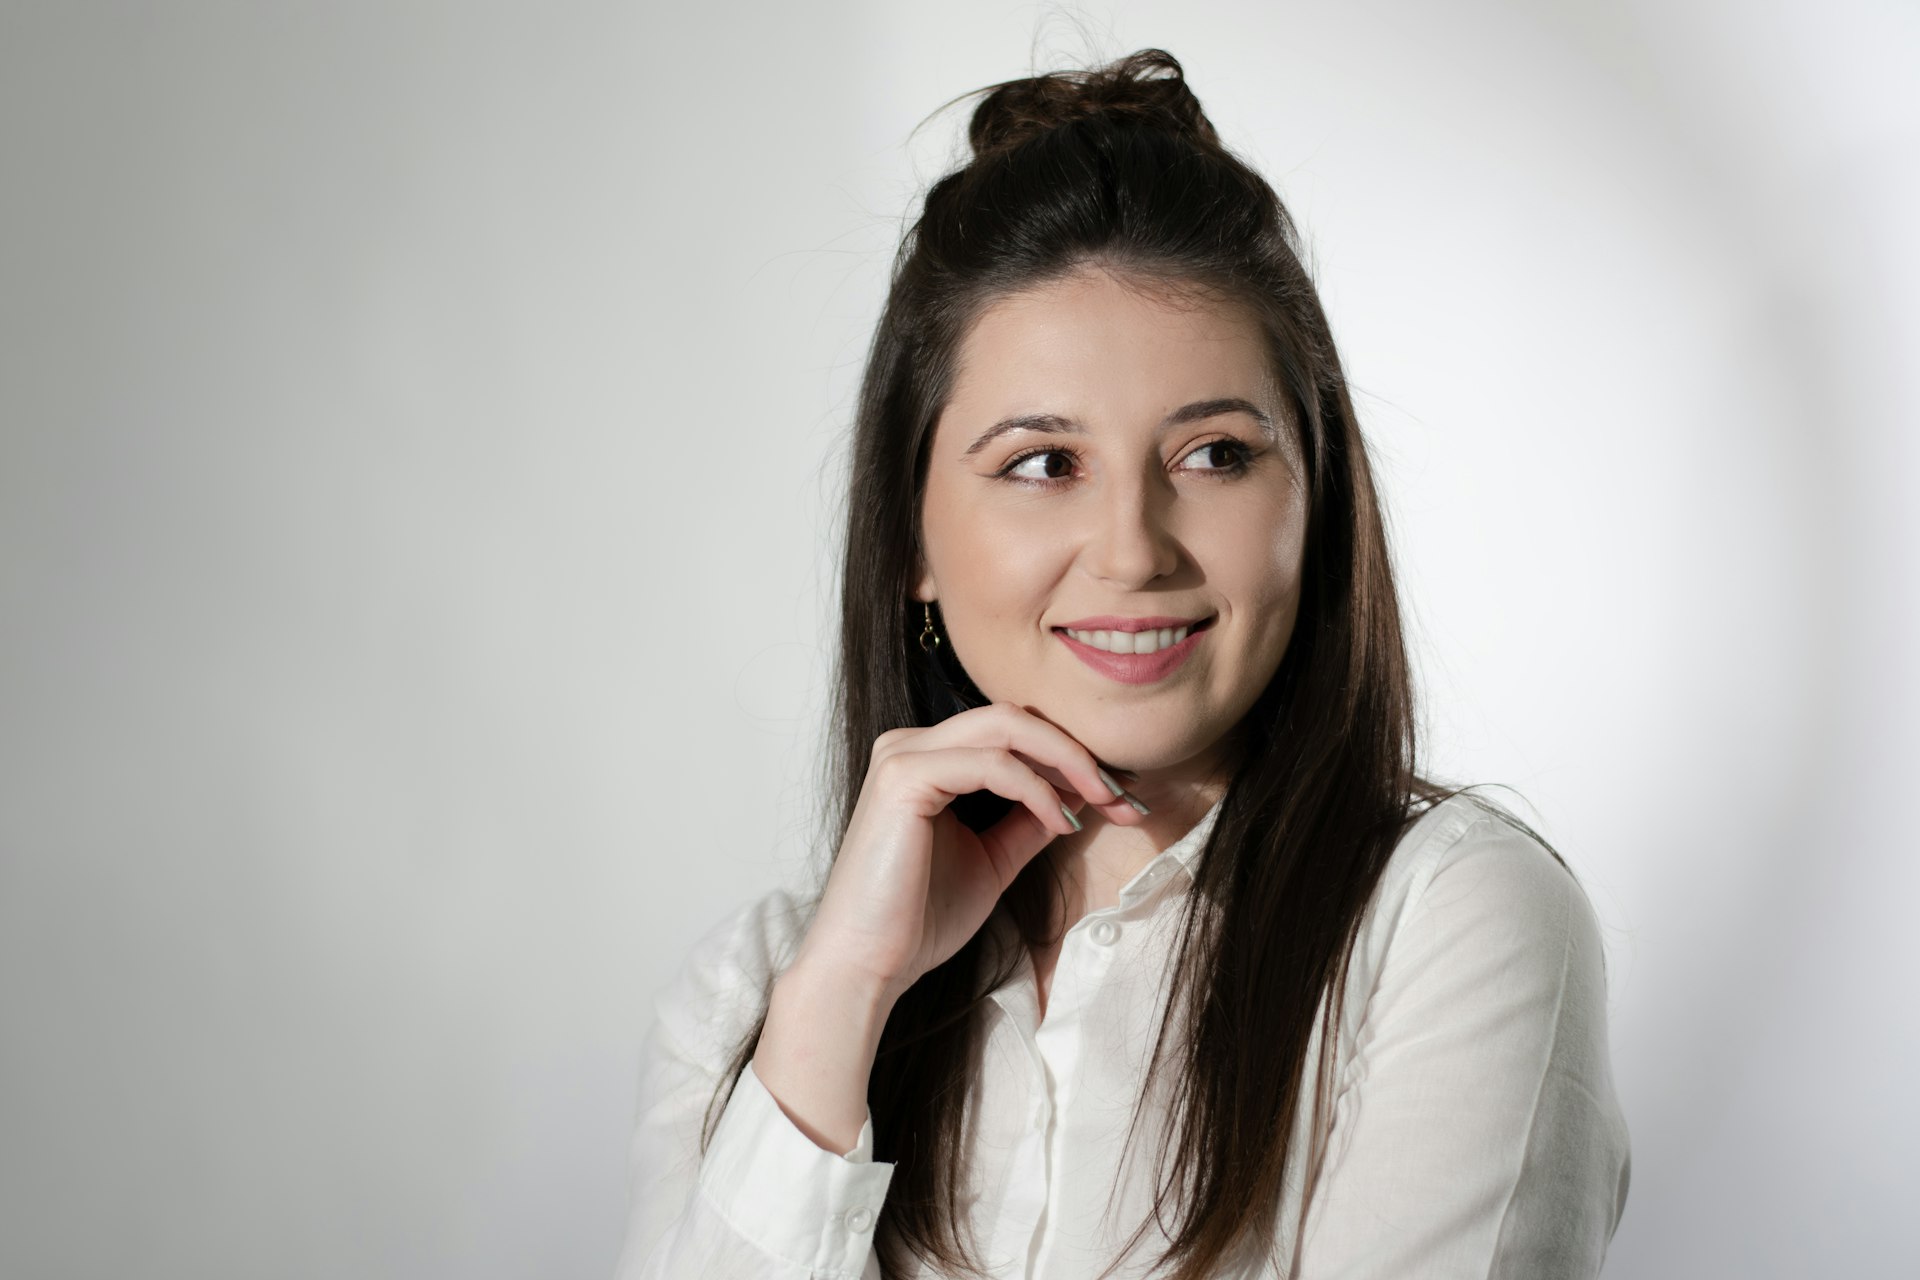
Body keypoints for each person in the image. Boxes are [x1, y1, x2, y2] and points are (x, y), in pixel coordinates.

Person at [613, 48, 1630, 1280]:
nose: (1133, 550)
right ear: (910, 541)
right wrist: (847, 989)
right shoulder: (755, 993)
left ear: (1318, 501)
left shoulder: (1450, 923)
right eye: (1043, 463)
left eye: (1213, 455)